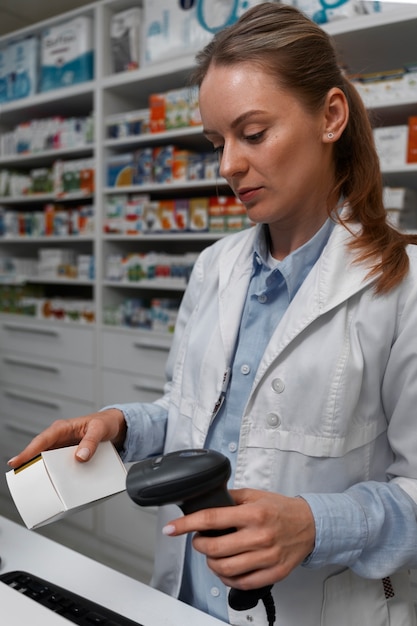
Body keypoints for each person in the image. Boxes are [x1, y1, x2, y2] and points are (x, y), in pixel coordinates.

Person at [8, 3, 417, 624]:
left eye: (252, 134)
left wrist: (313, 524)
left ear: (331, 116)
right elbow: (189, 412)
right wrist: (121, 425)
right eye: (216, 141)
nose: (227, 165)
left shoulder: (402, 286)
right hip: (183, 600)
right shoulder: (215, 266)